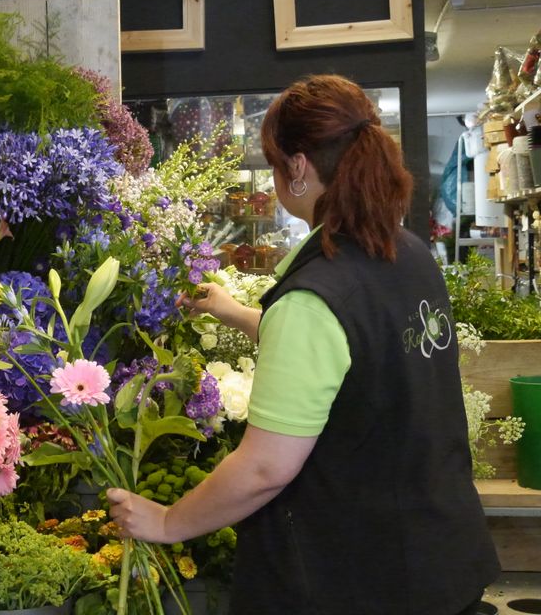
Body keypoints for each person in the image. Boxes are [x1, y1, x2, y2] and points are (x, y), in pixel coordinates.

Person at [107, 74, 499, 615]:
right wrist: (236, 312)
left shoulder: (314, 299)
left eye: (273, 163)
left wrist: (169, 521)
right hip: (439, 556)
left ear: (297, 166)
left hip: (353, 578)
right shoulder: (405, 254)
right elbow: (357, 356)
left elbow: (265, 469)